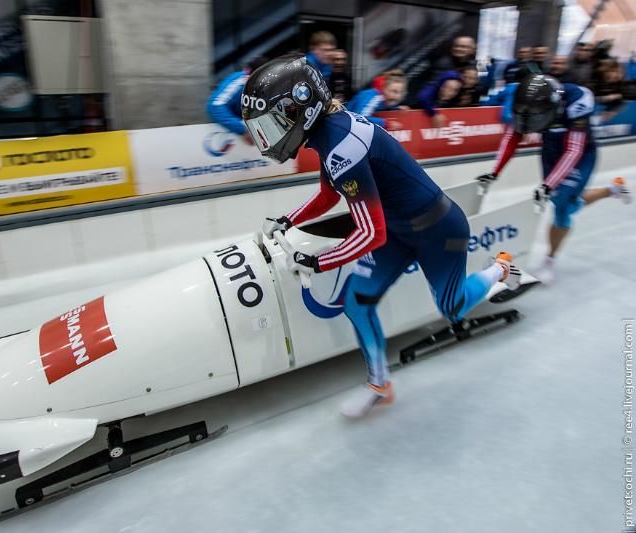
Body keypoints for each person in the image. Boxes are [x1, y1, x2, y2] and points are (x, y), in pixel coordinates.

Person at [242, 55, 521, 418]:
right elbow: (330, 195)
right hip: (399, 229)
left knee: (451, 308)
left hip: (439, 230)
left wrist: (318, 261)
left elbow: (370, 233)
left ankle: (500, 269)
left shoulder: (341, 144)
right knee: (357, 303)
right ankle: (380, 385)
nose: (270, 136)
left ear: (301, 108)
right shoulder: (330, 135)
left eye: (275, 123)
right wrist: (287, 220)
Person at [476, 74, 631, 284]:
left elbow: (574, 150)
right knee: (565, 200)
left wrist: (548, 185)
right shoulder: (522, 100)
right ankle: (612, 189)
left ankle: (549, 260)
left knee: (562, 208)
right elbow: (513, 136)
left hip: (580, 155)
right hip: (551, 151)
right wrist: (494, 172)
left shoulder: (578, 101)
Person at [206, 56, 268, 142]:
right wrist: (242, 130)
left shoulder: (265, 86)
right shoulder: (239, 81)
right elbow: (215, 106)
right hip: (224, 135)